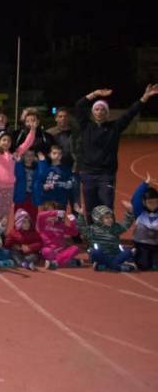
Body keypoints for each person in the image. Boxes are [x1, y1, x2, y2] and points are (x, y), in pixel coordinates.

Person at [75, 84, 158, 218]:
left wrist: (144, 97)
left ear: (107, 113)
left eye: (103, 109)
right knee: (90, 208)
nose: (99, 112)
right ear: (92, 112)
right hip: (88, 173)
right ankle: (92, 231)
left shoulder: (115, 127)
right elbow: (79, 106)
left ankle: (110, 231)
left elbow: (130, 113)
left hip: (106, 174)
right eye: (96, 109)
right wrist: (95, 93)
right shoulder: (86, 126)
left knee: (107, 206)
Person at [76, 204, 136, 272]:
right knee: (95, 251)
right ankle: (118, 267)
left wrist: (130, 212)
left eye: (111, 217)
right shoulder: (92, 229)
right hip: (100, 256)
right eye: (106, 218)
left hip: (114, 255)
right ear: (98, 219)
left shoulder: (115, 227)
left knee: (128, 252)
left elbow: (125, 225)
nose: (110, 219)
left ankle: (104, 266)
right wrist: (81, 215)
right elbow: (83, 229)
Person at [130, 177, 158, 270]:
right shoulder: (139, 211)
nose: (153, 205)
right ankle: (131, 254)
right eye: (150, 203)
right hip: (141, 244)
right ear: (144, 202)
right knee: (143, 266)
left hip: (156, 245)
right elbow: (136, 198)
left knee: (155, 266)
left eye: (156, 202)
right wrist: (145, 184)